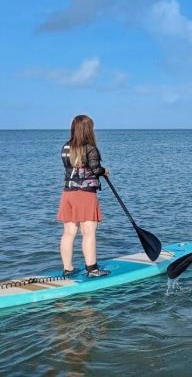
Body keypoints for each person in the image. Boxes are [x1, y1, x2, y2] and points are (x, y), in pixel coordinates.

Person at [57, 114, 110, 278]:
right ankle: (92, 269)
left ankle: (68, 268)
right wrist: (104, 171)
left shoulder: (66, 147)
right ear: (88, 130)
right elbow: (95, 169)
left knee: (69, 232)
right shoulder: (90, 148)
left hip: (68, 193)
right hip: (85, 194)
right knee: (88, 231)